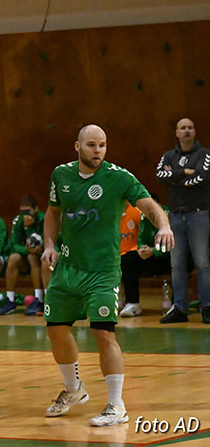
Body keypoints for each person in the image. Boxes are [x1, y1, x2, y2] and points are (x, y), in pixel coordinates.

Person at [41, 125, 173, 427]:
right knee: (56, 329)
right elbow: (53, 212)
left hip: (102, 270)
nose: (97, 150)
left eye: (102, 145)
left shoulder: (119, 177)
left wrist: (164, 226)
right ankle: (74, 389)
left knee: (103, 333)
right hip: (67, 268)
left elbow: (150, 206)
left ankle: (117, 405)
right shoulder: (61, 175)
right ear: (77, 146)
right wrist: (49, 245)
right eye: (91, 145)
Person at [155, 118, 210, 324]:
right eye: (183, 128)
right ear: (177, 133)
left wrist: (174, 177)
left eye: (190, 127)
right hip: (174, 215)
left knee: (202, 263)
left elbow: (202, 177)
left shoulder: (204, 154)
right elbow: (160, 175)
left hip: (198, 214)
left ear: (194, 131)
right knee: (176, 263)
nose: (187, 130)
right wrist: (184, 172)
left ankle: (207, 306)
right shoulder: (168, 155)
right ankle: (179, 308)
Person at [0, 195, 48, 316]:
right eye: (22, 211)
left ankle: (40, 299)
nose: (25, 215)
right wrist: (27, 249)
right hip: (26, 257)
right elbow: (14, 245)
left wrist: (36, 249)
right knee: (13, 258)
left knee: (32, 257)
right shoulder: (18, 221)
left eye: (28, 211)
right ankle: (10, 300)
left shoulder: (44, 219)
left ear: (35, 209)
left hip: (41, 257)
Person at [120, 196, 170, 316]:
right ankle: (133, 303)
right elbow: (141, 238)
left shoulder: (169, 216)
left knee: (178, 259)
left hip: (169, 257)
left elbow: (172, 244)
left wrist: (154, 251)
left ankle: (177, 304)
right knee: (129, 259)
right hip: (151, 257)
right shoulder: (144, 217)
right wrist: (142, 249)